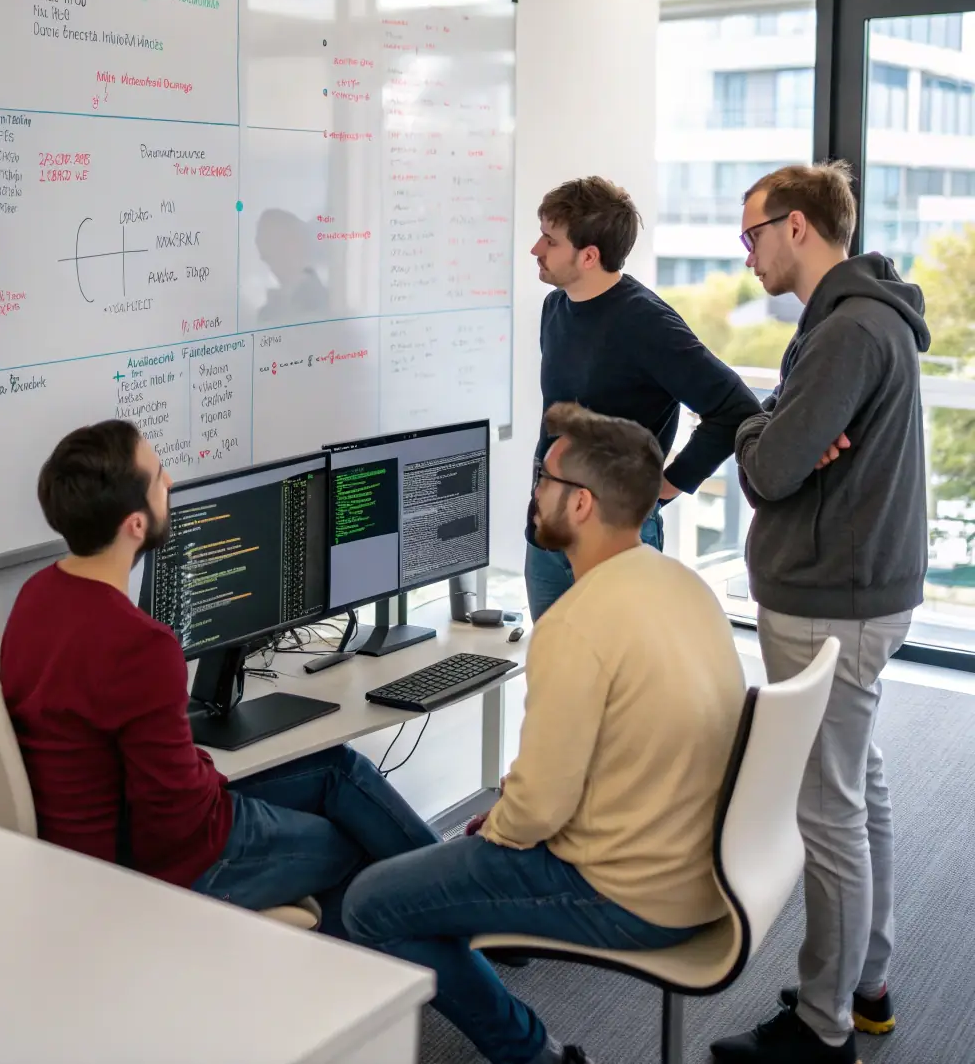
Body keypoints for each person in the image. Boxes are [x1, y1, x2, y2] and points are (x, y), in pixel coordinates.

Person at [343, 403, 747, 1064]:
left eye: (543, 478)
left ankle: (535, 1056)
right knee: (445, 852)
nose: (532, 492)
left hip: (626, 891)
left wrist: (500, 824)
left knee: (369, 905)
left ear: (581, 504)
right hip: (700, 867)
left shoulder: (575, 623)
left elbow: (538, 809)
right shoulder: (683, 585)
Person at [0, 420, 438, 934]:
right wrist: (207, 775)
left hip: (92, 839)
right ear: (135, 525)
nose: (170, 482)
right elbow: (178, 824)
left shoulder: (35, 597)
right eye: (159, 475)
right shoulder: (140, 643)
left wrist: (200, 771)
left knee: (339, 769)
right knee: (354, 849)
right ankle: (393, 992)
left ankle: (463, 895)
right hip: (149, 866)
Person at [711, 162, 929, 1064]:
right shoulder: (869, 316)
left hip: (831, 598)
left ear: (797, 227)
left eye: (752, 232)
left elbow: (767, 468)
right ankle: (863, 984)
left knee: (827, 807)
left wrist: (758, 429)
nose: (748, 252)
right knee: (857, 780)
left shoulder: (844, 334)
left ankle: (824, 1026)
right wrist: (783, 427)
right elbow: (791, 447)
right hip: (863, 590)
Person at [526, 176, 760, 620]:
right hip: (547, 535)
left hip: (615, 540)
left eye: (549, 240)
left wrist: (663, 490)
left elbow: (735, 409)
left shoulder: (646, 322)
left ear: (589, 255)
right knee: (557, 676)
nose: (536, 249)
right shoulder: (555, 308)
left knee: (619, 682)